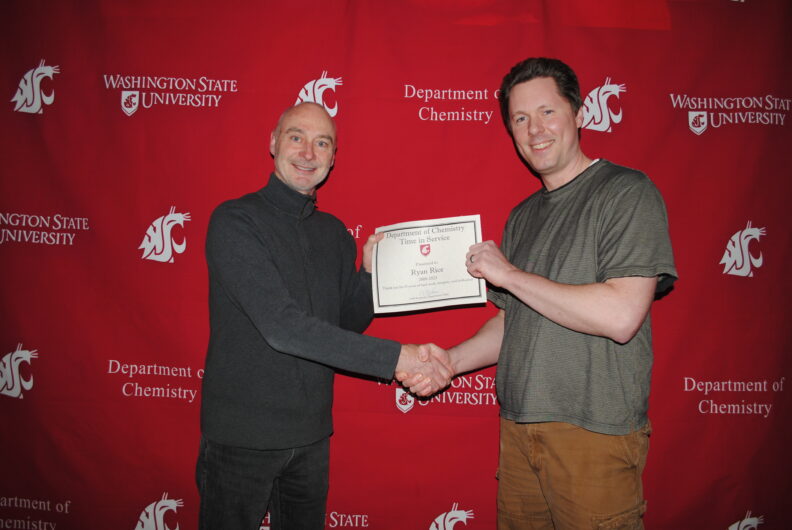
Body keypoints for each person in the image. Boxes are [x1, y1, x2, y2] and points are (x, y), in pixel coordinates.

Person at [402, 58, 677, 528]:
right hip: (518, 430)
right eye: (520, 119)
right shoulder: (523, 216)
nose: (535, 130)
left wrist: (507, 274)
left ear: (579, 112)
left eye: (547, 112)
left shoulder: (626, 193)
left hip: (593, 433)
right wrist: (448, 362)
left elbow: (621, 315)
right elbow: (513, 324)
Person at [197, 101, 450, 530]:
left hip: (312, 437)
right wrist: (397, 358)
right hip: (241, 439)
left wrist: (370, 276)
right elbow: (282, 327)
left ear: (333, 159)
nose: (308, 153)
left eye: (322, 143)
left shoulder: (334, 233)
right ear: (274, 143)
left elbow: (341, 328)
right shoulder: (234, 221)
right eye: (296, 137)